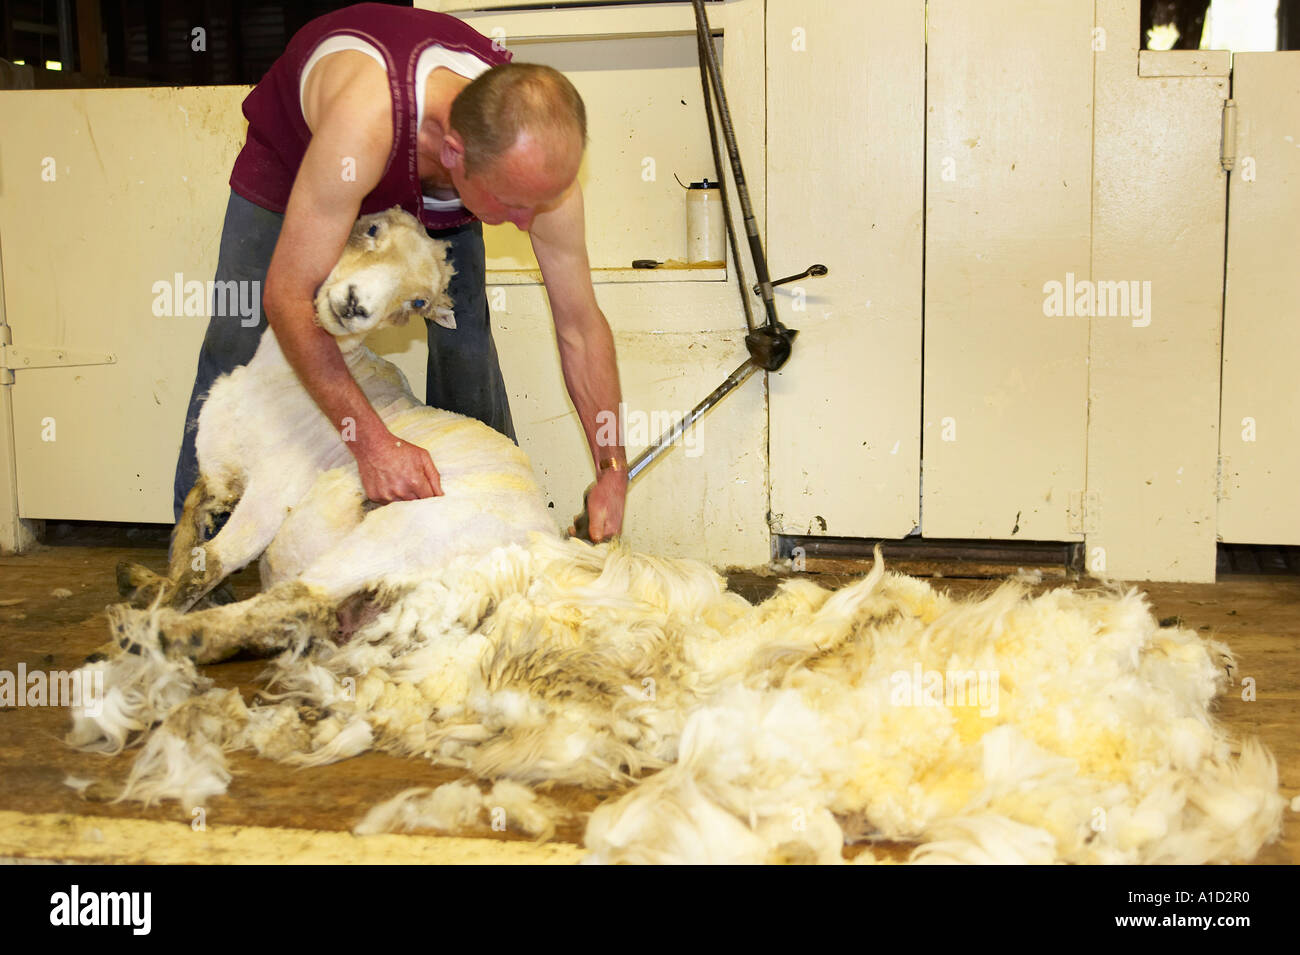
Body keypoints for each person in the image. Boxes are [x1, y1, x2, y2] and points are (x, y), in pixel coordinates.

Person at [173, 2, 627, 541]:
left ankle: (489, 530)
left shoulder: (531, 174)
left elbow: (579, 326)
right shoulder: (362, 122)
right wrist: (374, 445)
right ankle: (197, 555)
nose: (527, 223)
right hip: (301, 155)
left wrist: (611, 468)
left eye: (539, 203)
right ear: (454, 152)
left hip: (438, 177)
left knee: (466, 344)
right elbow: (289, 298)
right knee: (238, 333)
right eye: (513, 204)